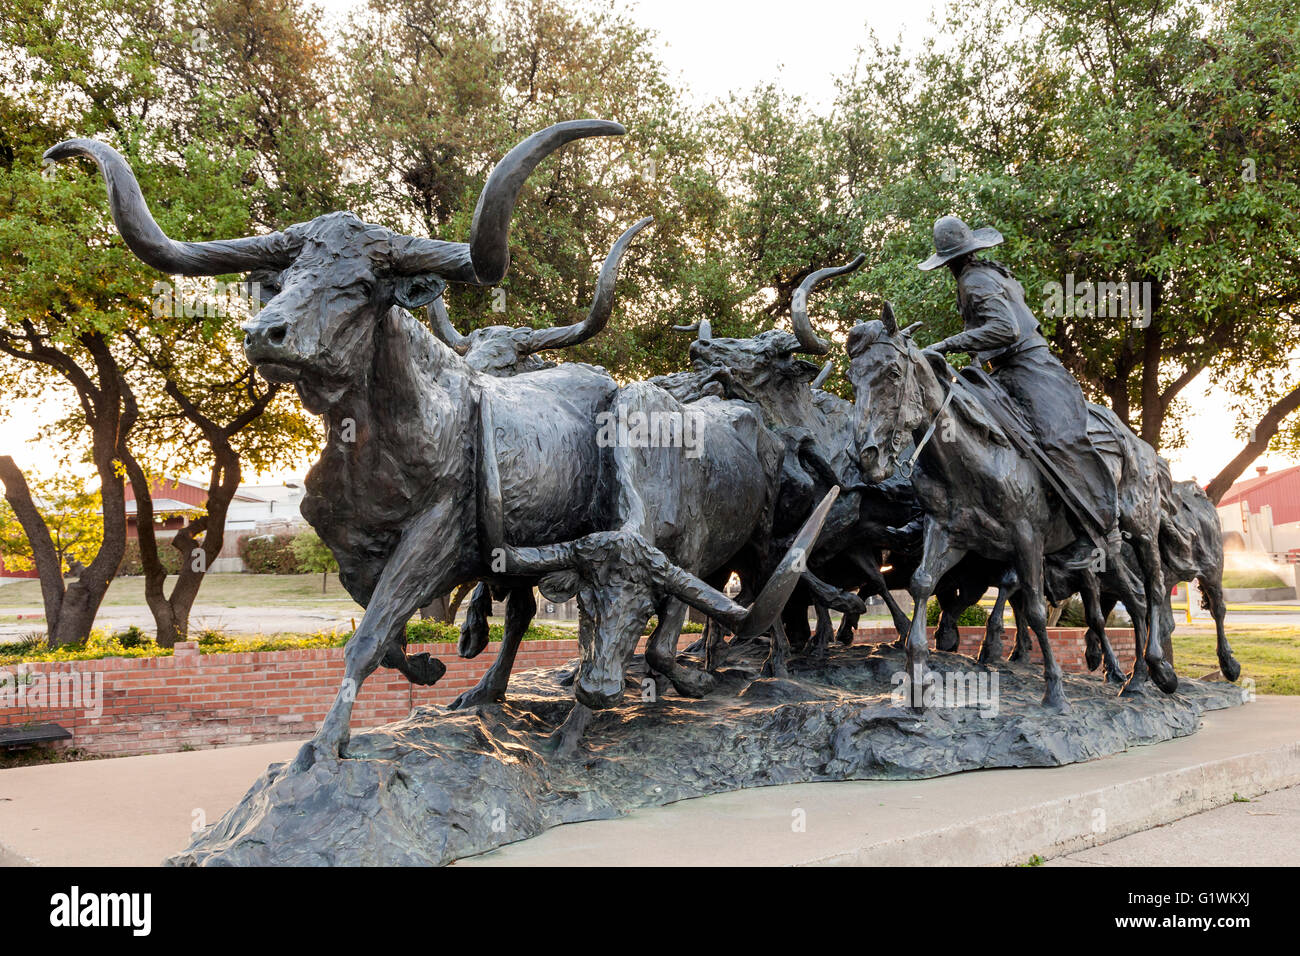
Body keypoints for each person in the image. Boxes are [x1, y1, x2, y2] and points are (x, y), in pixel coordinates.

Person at [918, 215, 1118, 542]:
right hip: (1002, 371)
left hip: (1028, 367)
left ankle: (1101, 526)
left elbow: (1005, 329)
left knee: (1057, 439)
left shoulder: (975, 280)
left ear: (947, 260)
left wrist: (945, 344)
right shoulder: (986, 273)